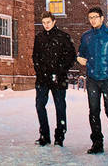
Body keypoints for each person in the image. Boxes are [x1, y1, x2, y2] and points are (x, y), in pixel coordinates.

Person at [76, 7, 108, 155]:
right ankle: (97, 143)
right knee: (94, 111)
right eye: (90, 17)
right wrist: (80, 57)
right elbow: (82, 52)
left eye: (95, 17)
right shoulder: (86, 36)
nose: (92, 20)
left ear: (102, 18)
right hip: (92, 78)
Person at [32, 11, 77, 147]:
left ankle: (60, 136)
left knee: (60, 106)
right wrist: (41, 71)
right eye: (44, 23)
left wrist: (59, 71)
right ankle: (44, 135)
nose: (46, 25)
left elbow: (71, 57)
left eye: (48, 22)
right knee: (40, 105)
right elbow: (35, 57)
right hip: (42, 78)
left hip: (59, 78)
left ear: (54, 22)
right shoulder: (39, 38)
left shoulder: (63, 37)